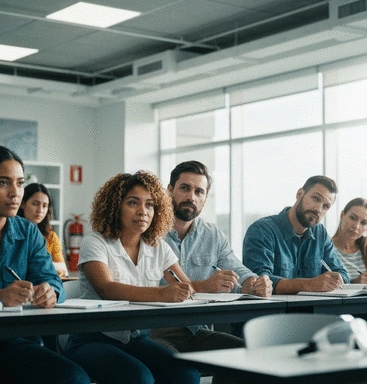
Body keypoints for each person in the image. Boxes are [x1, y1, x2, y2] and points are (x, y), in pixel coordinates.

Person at [0, 145, 90, 384]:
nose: (15, 193)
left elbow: (53, 281)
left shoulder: (29, 232)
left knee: (74, 378)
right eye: (3, 183)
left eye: (20, 183)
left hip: (9, 340)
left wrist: (50, 292)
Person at [64, 171, 200, 384]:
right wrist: (163, 293)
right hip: (91, 340)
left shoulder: (159, 247)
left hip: (137, 339)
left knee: (187, 373)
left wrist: (186, 290)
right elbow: (106, 289)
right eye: (133, 203)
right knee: (139, 378)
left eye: (150, 205)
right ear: (115, 206)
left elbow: (185, 285)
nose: (143, 212)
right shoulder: (95, 242)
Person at [151, 161, 272, 384]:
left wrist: (253, 283)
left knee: (246, 355)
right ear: (169, 191)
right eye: (185, 188)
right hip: (155, 331)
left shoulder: (213, 234)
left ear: (206, 198)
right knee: (180, 370)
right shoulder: (149, 232)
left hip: (197, 330)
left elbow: (237, 269)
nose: (192, 197)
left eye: (199, 191)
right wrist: (204, 285)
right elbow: (144, 288)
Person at [243, 175, 349, 294]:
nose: (318, 209)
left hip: (314, 309)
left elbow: (342, 274)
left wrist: (338, 279)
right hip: (275, 310)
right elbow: (259, 282)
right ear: (299, 194)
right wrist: (310, 284)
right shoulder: (262, 230)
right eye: (316, 198)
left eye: (325, 206)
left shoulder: (320, 233)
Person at [18, 183, 68, 278]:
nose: (40, 210)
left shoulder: (51, 236)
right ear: (23, 204)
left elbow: (63, 270)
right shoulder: (12, 232)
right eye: (35, 204)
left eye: (45, 205)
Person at [332, 198, 367, 283]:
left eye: (363, 223)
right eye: (353, 218)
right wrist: (354, 284)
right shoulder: (326, 249)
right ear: (342, 215)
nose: (356, 226)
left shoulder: (365, 249)